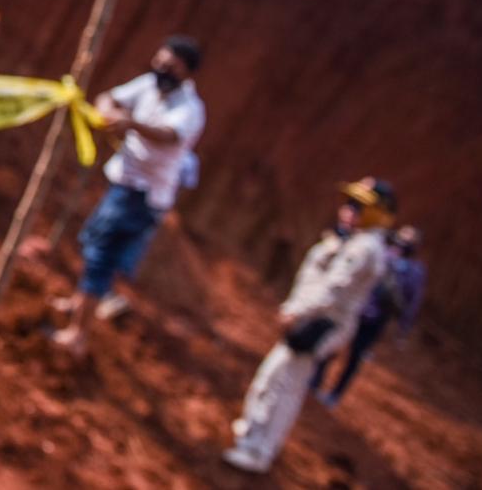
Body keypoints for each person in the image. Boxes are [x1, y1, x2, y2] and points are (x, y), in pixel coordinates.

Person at [223, 177, 398, 474]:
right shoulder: (354, 241)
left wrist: (296, 311)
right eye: (350, 203)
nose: (349, 209)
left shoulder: (365, 248)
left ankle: (260, 450)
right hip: (312, 320)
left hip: (321, 325)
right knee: (273, 376)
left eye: (358, 205)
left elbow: (334, 288)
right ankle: (252, 429)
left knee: (286, 385)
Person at [50, 36, 206, 356]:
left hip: (142, 196)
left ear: (187, 73)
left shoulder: (190, 110)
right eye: (159, 62)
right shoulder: (149, 84)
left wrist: (129, 123)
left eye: (171, 67)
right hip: (123, 184)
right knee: (94, 242)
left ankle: (77, 334)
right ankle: (78, 304)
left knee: (101, 256)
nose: (161, 70)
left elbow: (168, 135)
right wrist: (108, 110)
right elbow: (111, 97)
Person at [310, 224, 426, 407]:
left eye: (409, 240)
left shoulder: (414, 271)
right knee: (333, 343)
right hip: (356, 309)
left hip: (375, 321)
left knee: (355, 356)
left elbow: (412, 302)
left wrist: (403, 329)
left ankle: (335, 394)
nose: (403, 242)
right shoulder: (381, 254)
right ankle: (315, 381)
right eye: (401, 237)